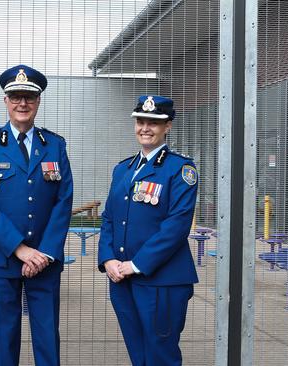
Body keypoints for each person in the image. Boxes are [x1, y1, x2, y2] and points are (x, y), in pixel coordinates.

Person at [0, 64, 73, 366]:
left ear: (38, 101)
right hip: (0, 259)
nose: (22, 103)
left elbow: (63, 201)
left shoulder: (55, 145)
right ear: (6, 101)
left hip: (44, 260)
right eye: (15, 96)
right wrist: (20, 249)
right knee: (3, 342)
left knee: (47, 340)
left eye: (29, 97)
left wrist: (45, 253)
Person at [97, 95, 199, 366]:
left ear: (168, 126)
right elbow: (108, 218)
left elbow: (176, 227)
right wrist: (108, 259)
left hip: (160, 282)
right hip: (121, 279)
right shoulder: (123, 169)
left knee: (160, 355)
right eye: (141, 121)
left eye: (154, 122)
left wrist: (136, 264)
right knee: (137, 352)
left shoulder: (180, 169)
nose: (145, 127)